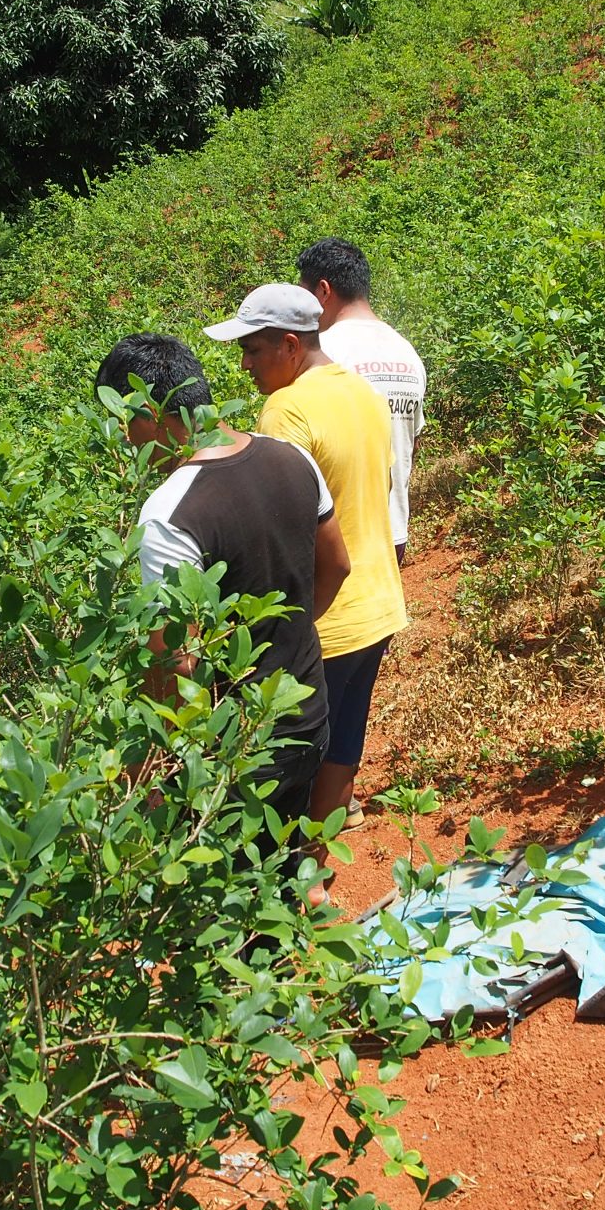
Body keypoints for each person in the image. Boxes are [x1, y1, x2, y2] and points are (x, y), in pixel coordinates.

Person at [96, 332, 350, 868]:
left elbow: (176, 663)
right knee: (281, 870)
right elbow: (337, 565)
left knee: (226, 894)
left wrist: (159, 767)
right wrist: (287, 633)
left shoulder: (169, 513)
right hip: (308, 712)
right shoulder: (292, 457)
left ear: (151, 414)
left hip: (235, 751)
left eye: (123, 420)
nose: (122, 437)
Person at [203, 285, 406, 864]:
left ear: (290, 346)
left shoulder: (286, 410)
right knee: (342, 747)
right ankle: (314, 873)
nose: (245, 365)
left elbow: (283, 524)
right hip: (378, 604)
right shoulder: (363, 393)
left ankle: (280, 882)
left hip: (326, 614)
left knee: (289, 761)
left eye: (253, 350)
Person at [298, 237, 427, 564]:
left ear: (323, 291)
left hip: (336, 538)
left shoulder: (322, 352)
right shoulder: (407, 352)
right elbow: (411, 445)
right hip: (392, 533)